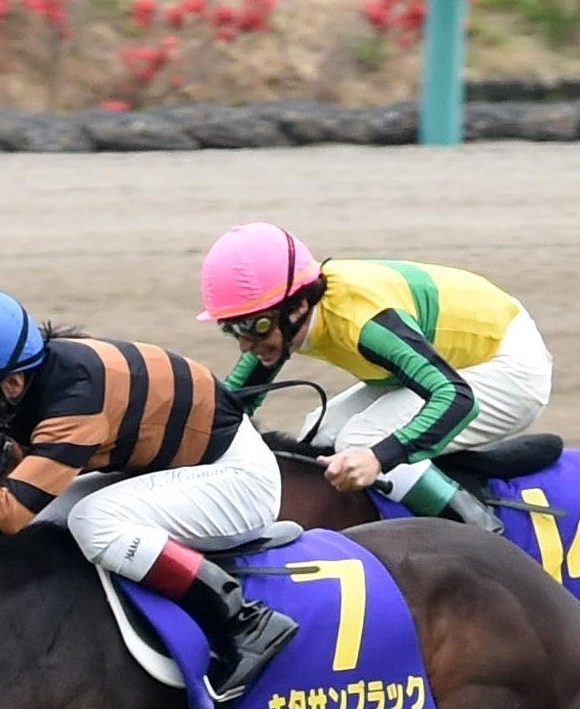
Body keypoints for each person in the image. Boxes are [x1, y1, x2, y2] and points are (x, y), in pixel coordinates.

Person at [0, 289, 297, 704]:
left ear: (13, 385)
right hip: (177, 469)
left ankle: (242, 620)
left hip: (236, 483)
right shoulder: (1, 386)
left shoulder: (76, 400)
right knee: (51, 521)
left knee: (92, 520)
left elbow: (7, 512)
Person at [197, 222, 549, 533]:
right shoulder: (286, 318)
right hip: (452, 361)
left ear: (299, 306)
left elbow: (456, 397)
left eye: (253, 326)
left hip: (508, 366)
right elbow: (232, 403)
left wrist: (379, 458)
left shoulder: (362, 323)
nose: (245, 344)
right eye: (232, 329)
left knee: (361, 439)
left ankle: (479, 532)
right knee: (320, 431)